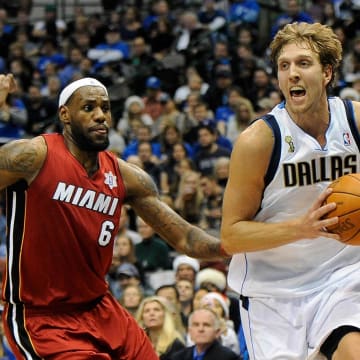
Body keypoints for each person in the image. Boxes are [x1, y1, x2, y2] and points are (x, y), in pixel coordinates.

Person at [0, 74, 224, 359]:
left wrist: (229, 244)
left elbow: (186, 238)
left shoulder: (126, 177)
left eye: (105, 108)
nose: (100, 116)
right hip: (43, 318)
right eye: (89, 107)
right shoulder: (33, 156)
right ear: (65, 115)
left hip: (101, 308)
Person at [220, 22, 360, 359]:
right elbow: (231, 236)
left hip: (343, 276)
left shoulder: (354, 121)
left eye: (303, 63)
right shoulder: (259, 141)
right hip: (274, 293)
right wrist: (302, 228)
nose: (292, 74)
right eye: (284, 66)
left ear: (327, 73)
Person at [171, 308, 241, 360]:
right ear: (189, 331)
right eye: (196, 325)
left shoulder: (228, 357)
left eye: (206, 325)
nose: (201, 329)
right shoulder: (178, 357)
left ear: (217, 332)